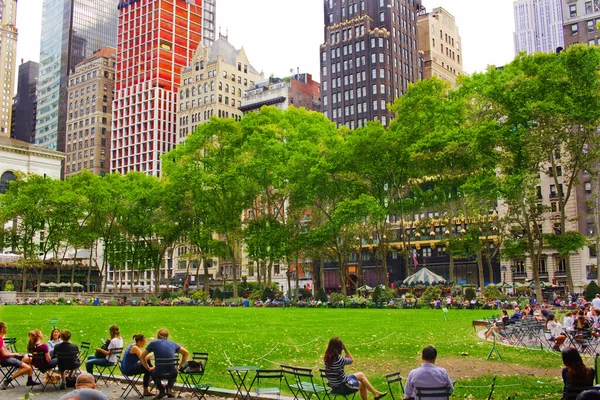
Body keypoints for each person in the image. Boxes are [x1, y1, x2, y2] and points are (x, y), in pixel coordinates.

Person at [140, 328, 189, 399]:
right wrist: (180, 366)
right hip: (172, 373)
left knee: (152, 372)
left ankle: (161, 390)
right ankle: (169, 388)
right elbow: (186, 353)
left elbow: (142, 356)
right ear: (167, 336)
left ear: (158, 335)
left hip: (158, 373)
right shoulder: (172, 343)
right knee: (174, 370)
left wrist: (148, 367)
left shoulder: (153, 343)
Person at [0, 321, 38, 389]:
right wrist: (15, 354)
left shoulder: (1, 338)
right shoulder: (0, 340)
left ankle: (30, 380)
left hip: (8, 358)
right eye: (6, 328)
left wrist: (17, 355)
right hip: (5, 360)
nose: (7, 329)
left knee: (29, 359)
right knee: (27, 367)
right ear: (2, 329)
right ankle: (8, 380)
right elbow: (4, 354)